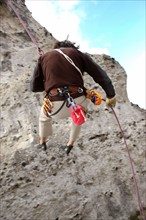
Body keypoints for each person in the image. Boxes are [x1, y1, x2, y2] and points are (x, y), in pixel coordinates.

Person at [30, 40, 116, 155]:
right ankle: (70, 144)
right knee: (79, 115)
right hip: (77, 100)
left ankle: (42, 142)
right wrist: (111, 95)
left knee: (44, 117)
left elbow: (34, 87)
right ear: (72, 47)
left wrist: (50, 81)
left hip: (54, 105)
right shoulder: (78, 54)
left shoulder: (44, 57)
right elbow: (100, 75)